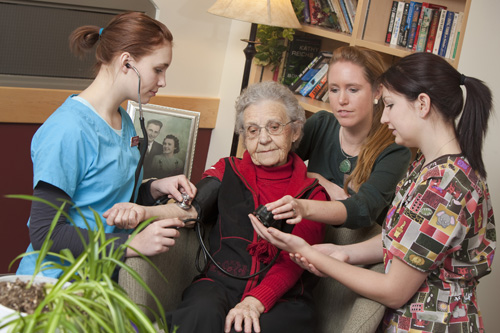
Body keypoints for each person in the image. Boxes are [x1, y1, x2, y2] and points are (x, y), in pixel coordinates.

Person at [252, 52, 496, 332]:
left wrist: (310, 253)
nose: (385, 117)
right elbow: (403, 242)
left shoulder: (445, 186)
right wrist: (343, 253)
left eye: (390, 105)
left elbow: (395, 291)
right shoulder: (428, 167)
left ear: (423, 104)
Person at [105, 81, 328, 333]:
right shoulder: (228, 170)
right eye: (252, 131)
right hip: (218, 286)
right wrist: (144, 212)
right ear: (244, 137)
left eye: (274, 127)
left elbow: (295, 262)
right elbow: (190, 209)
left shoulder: (312, 195)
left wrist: (255, 301)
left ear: (295, 131)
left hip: (284, 299)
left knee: (248, 328)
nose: (263, 139)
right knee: (199, 313)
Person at [16, 12, 196, 278]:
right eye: (158, 69)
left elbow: (107, 203)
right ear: (126, 63)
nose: (163, 82)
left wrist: (153, 189)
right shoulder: (68, 129)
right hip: (55, 287)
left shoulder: (123, 121)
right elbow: (46, 234)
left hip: (99, 282)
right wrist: (132, 244)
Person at [269, 46, 411, 229]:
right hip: (304, 231)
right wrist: (317, 179)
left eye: (353, 89)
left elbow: (363, 211)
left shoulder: (395, 151)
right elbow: (277, 166)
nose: (341, 100)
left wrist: (304, 203)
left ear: (377, 92)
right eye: (334, 90)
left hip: (350, 249)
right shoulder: (321, 123)